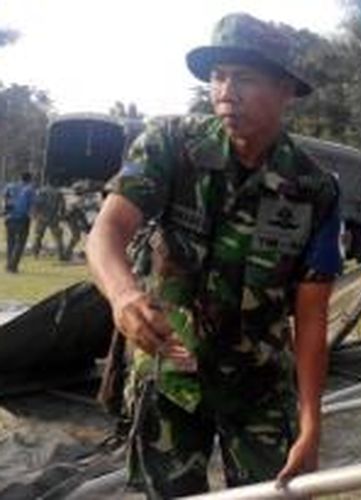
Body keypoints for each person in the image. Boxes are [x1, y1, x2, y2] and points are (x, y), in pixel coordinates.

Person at [86, 13, 342, 498]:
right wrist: (122, 296)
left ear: (286, 90)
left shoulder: (315, 190)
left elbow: (312, 317)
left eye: (245, 78)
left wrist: (312, 422)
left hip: (260, 388)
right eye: (218, 76)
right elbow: (107, 231)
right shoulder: (170, 146)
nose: (227, 91)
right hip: (170, 379)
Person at [3, 172, 35, 273]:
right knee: (20, 243)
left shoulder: (10, 186)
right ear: (29, 179)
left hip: (9, 217)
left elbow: (5, 198)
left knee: (10, 242)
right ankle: (13, 266)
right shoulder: (30, 189)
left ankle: (8, 265)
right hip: (22, 218)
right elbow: (32, 206)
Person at [31, 184, 66, 260]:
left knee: (38, 236)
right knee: (58, 237)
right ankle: (61, 255)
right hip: (54, 217)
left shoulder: (41, 191)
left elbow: (37, 203)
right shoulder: (58, 192)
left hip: (41, 217)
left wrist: (35, 214)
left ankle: (35, 254)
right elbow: (62, 206)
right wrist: (62, 216)